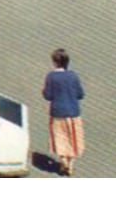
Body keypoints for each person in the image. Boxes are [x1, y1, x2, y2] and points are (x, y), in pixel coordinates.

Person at [41, 48, 85, 176]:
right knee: (73, 138)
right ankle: (70, 165)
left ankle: (63, 161)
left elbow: (48, 95)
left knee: (60, 137)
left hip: (57, 112)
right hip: (73, 112)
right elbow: (80, 94)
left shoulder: (51, 77)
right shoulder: (73, 76)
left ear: (54, 62)